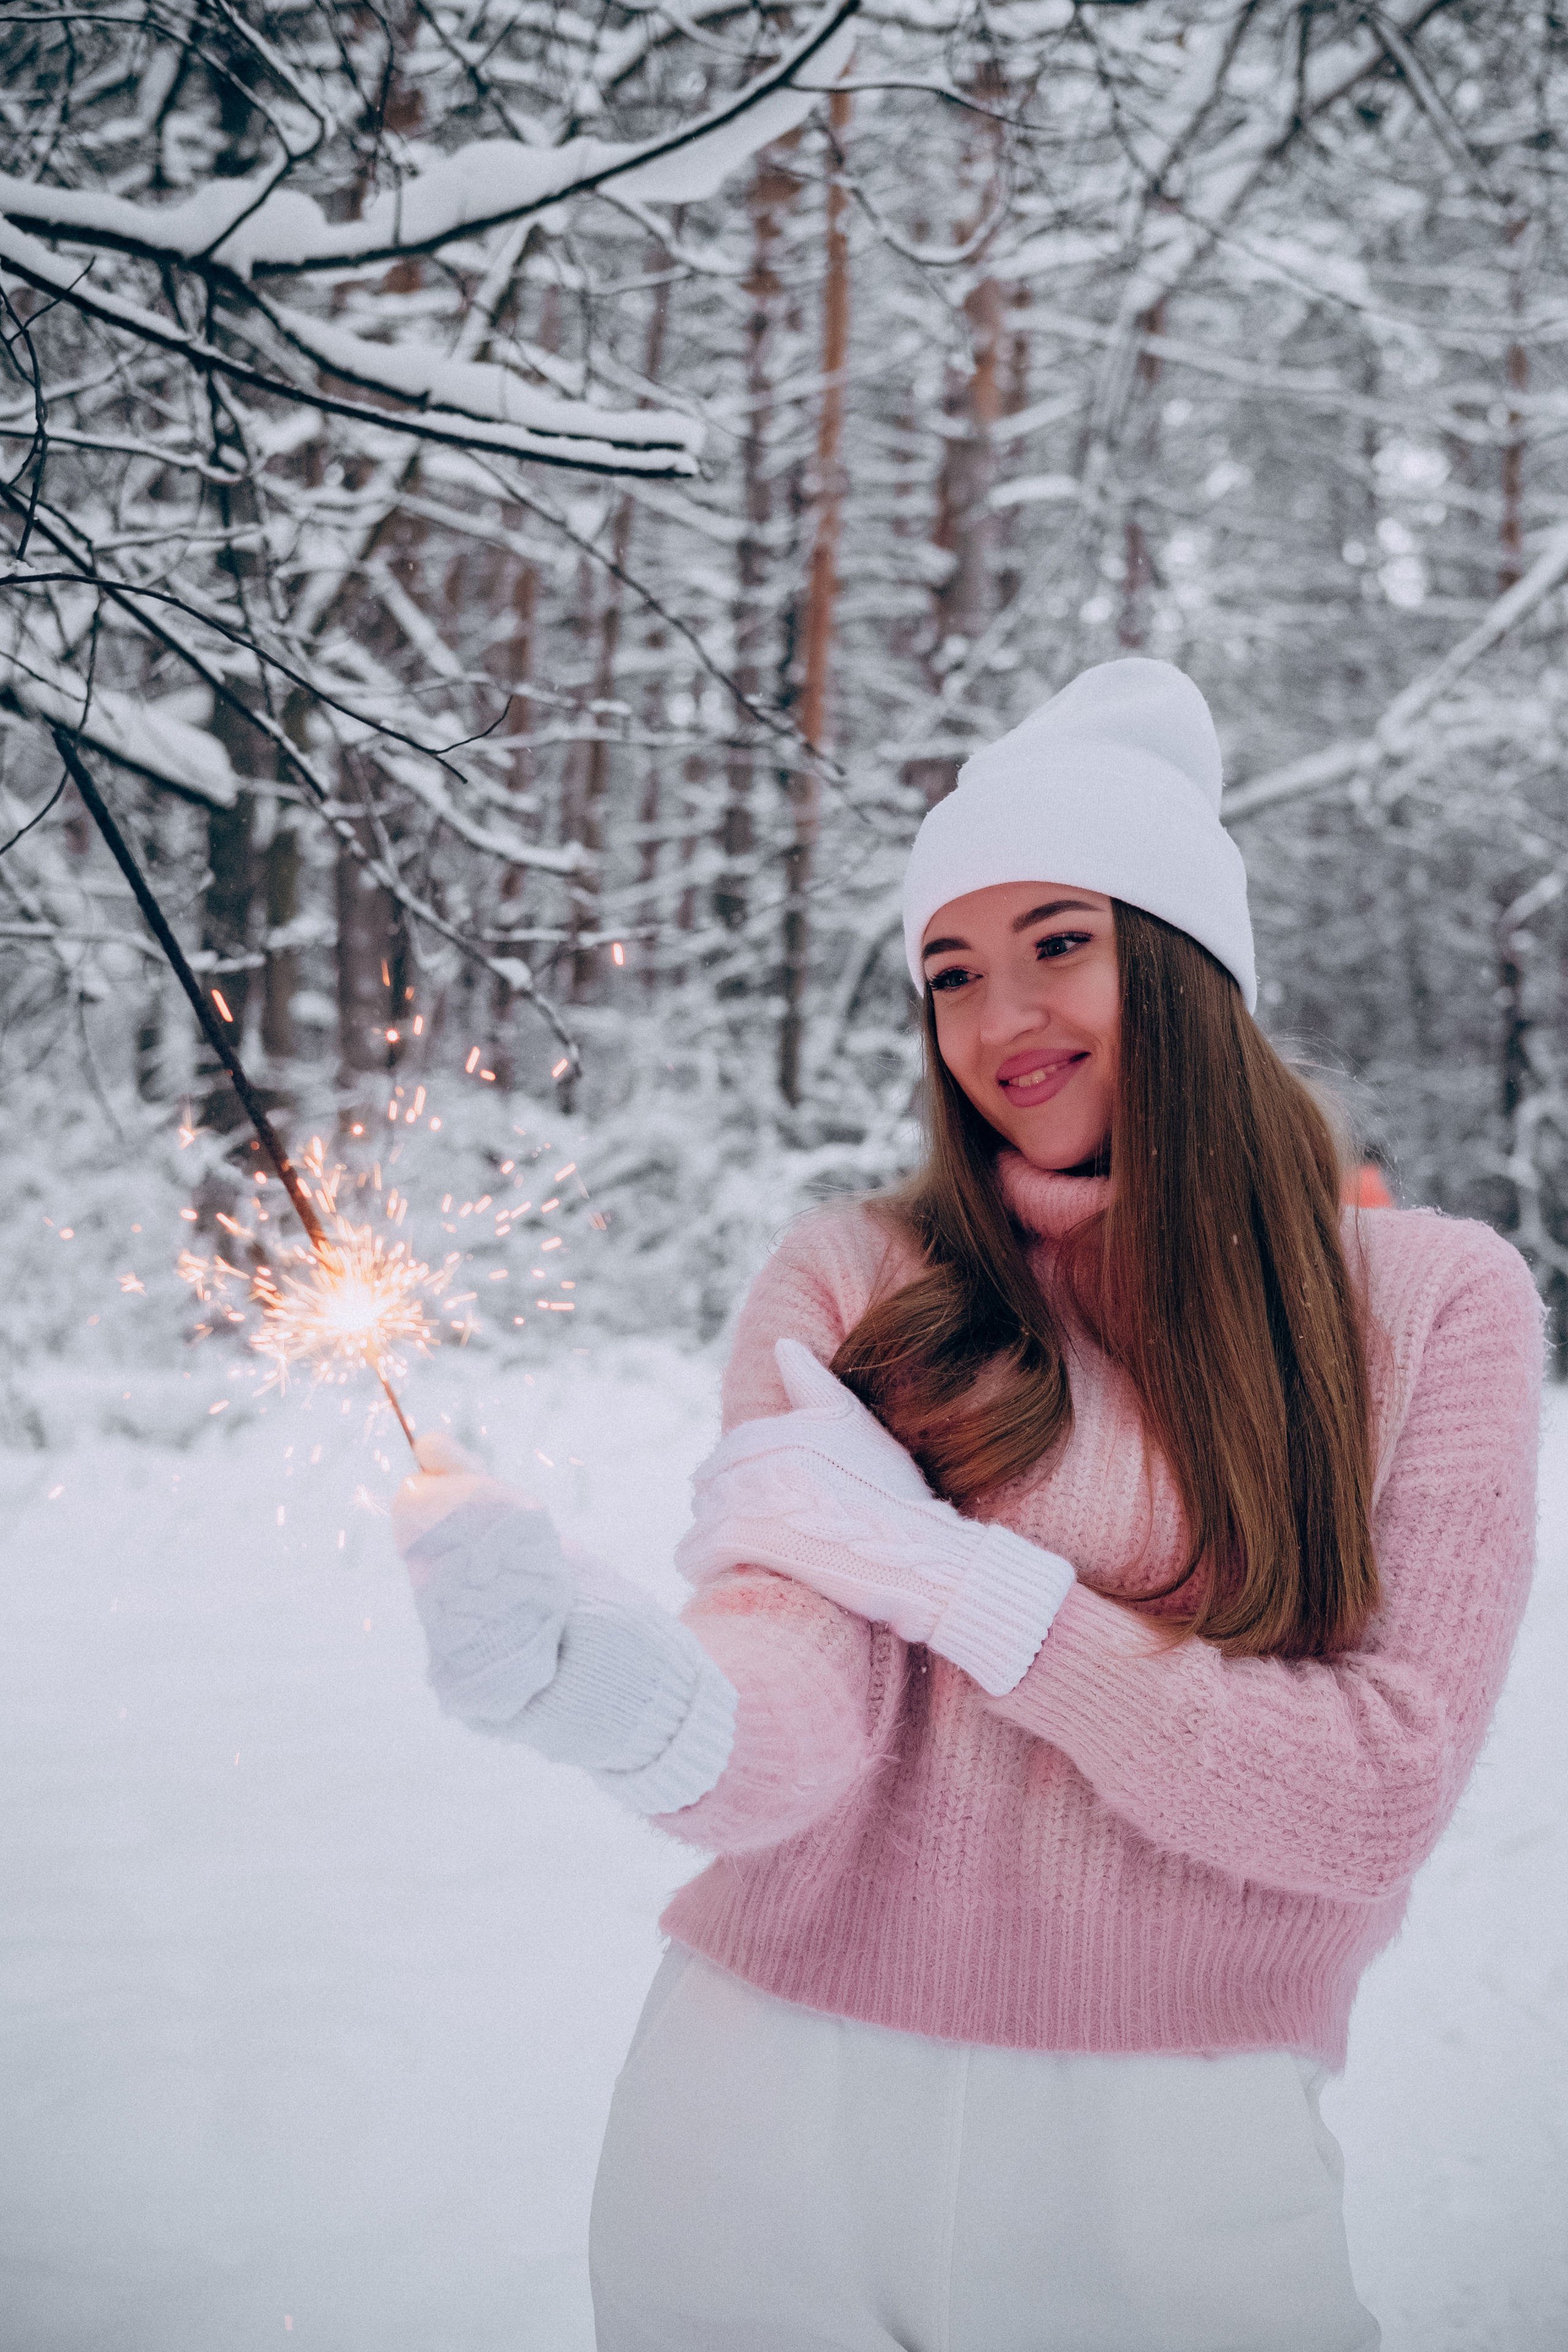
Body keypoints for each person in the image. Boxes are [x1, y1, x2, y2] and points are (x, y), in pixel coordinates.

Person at [393, 658, 1542, 2352]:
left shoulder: (1430, 1307)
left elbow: (1373, 1793)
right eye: (952, 973)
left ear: (1186, 957)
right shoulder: (862, 1279)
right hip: (765, 2115)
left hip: (1177, 2178)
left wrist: (969, 1587)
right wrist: (608, 1687)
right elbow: (795, 1700)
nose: (1002, 1020)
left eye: (1059, 943)